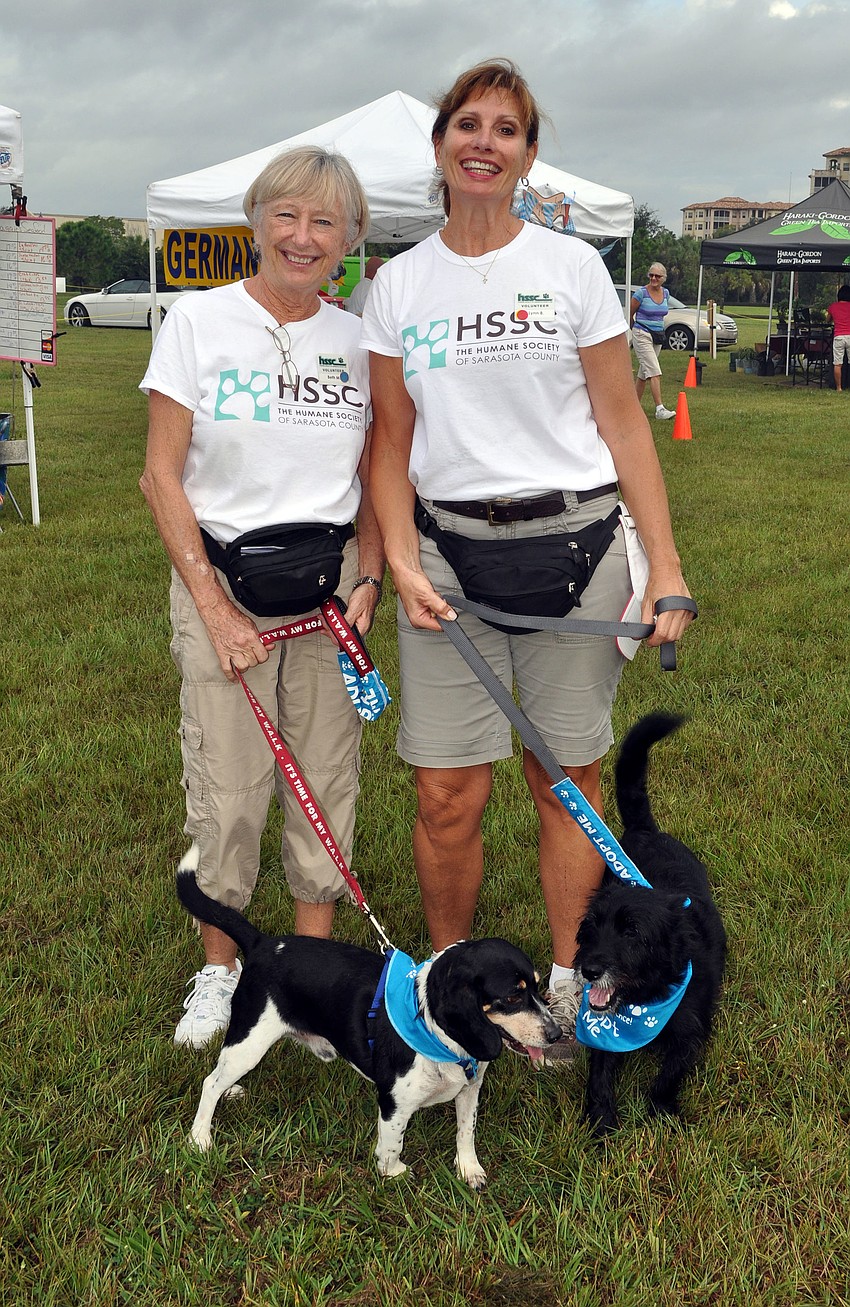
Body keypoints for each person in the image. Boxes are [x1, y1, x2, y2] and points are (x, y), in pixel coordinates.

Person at [361, 58, 693, 1064]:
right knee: (444, 792)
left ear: (528, 153)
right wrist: (401, 559)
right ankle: (456, 978)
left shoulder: (569, 268)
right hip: (448, 563)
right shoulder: (399, 284)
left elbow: (625, 422)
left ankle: (566, 981)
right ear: (440, 146)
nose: (484, 141)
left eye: (506, 129)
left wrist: (665, 566)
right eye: (468, 123)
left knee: (567, 783)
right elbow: (386, 440)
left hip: (577, 547)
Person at [140, 146, 384, 1048]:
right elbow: (160, 477)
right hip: (223, 592)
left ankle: (310, 980)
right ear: (256, 220)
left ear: (349, 240)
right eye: (287, 215)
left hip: (327, 605)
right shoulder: (198, 323)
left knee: (326, 786)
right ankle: (221, 969)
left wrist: (370, 581)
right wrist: (212, 606)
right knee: (230, 791)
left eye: (325, 222)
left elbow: (374, 482)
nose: (303, 236)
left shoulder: (359, 342)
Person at [630, 263, 676, 420]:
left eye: (657, 276)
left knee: (644, 373)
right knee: (654, 370)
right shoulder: (641, 293)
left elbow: (662, 313)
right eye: (651, 275)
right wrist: (634, 330)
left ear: (664, 278)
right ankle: (660, 409)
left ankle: (632, 407)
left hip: (657, 336)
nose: (654, 278)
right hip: (642, 333)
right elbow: (630, 313)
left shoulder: (666, 293)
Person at [826, 285, 850, 392]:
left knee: (838, 364)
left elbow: (828, 320)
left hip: (838, 336)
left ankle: (839, 387)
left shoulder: (833, 306)